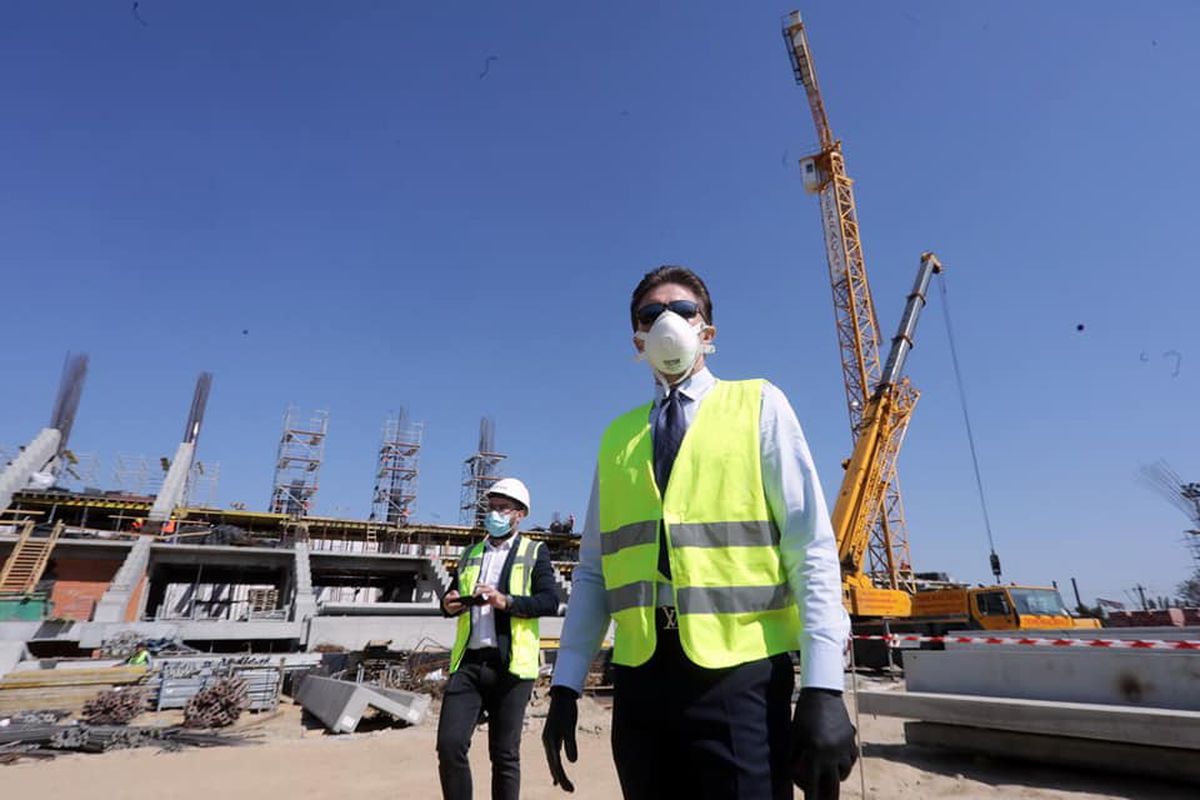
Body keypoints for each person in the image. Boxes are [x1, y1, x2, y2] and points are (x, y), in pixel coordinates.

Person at [542, 266, 857, 799]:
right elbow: (595, 572)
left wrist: (824, 686)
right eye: (651, 313)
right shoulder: (618, 438)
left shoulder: (759, 405)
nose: (668, 320)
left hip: (741, 678)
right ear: (637, 341)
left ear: (707, 331)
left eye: (684, 310)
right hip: (641, 678)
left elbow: (810, 549)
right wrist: (566, 684)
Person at [437, 477, 560, 800]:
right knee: (449, 745)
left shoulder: (535, 551)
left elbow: (550, 600)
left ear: (519, 514)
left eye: (502, 508)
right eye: (491, 508)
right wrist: (448, 605)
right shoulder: (470, 553)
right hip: (469, 664)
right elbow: (452, 595)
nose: (494, 514)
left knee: (504, 755)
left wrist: (507, 602)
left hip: (512, 668)